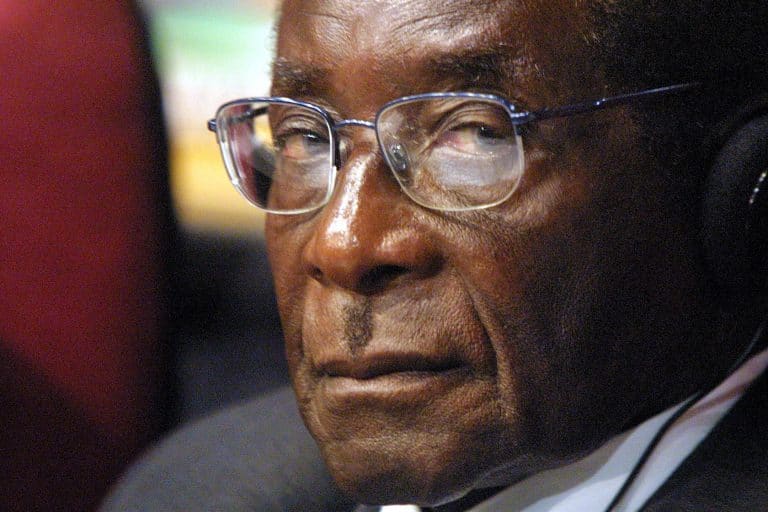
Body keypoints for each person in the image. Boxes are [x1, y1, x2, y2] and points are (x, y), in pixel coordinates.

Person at [102, 1, 768, 511]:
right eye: (305, 136)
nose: (342, 244)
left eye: (474, 134)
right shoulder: (198, 487)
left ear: (741, 192)